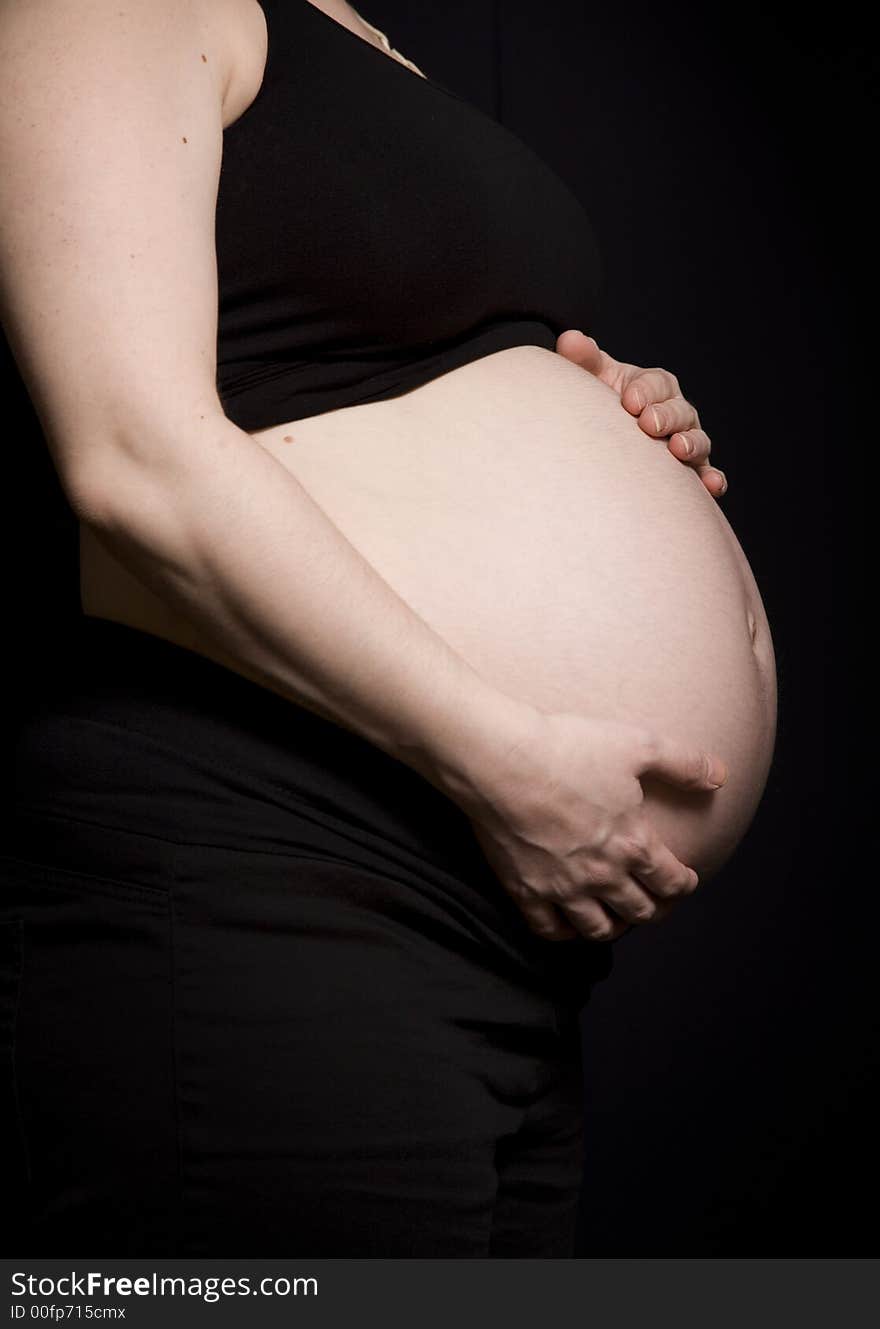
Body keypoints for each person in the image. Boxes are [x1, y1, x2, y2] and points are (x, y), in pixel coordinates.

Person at [0, 0, 777, 1256]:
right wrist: (497, 754)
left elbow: (338, 347)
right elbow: (131, 458)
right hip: (278, 874)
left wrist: (579, 388)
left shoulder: (339, 26)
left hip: (484, 934)